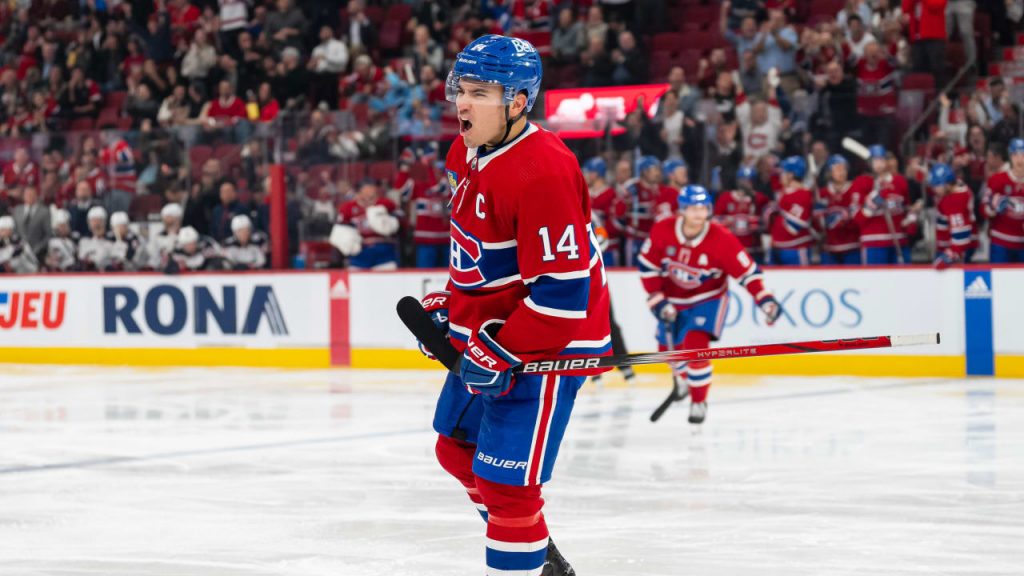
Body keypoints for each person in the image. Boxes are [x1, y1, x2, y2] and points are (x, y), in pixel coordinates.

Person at [417, 34, 611, 576]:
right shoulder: (472, 148)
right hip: (498, 328)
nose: (462, 103)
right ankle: (537, 555)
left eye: (480, 92)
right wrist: (454, 307)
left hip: (549, 339)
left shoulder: (543, 171)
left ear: (519, 101)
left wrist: (500, 348)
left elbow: (563, 295)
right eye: (461, 89)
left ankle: (520, 541)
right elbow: (483, 249)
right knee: (456, 451)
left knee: (507, 485)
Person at [638, 185, 780, 424]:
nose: (698, 213)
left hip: (709, 299)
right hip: (672, 298)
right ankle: (682, 381)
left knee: (696, 345)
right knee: (665, 348)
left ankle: (698, 401)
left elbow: (749, 273)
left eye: (703, 208)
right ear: (682, 210)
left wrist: (764, 299)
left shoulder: (722, 238)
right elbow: (647, 266)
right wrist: (657, 299)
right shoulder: (663, 229)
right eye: (692, 208)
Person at [850, 145, 914, 264]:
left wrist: (911, 220)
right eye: (876, 160)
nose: (879, 164)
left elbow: (907, 208)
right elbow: (856, 218)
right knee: (875, 281)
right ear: (869, 163)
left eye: (882, 160)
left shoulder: (899, 181)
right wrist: (871, 204)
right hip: (873, 242)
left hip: (898, 241)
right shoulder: (861, 182)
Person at [612, 155, 677, 265]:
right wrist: (626, 201)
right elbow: (618, 215)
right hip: (634, 240)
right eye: (654, 170)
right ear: (644, 171)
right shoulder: (631, 188)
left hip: (653, 240)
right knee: (631, 272)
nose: (658, 173)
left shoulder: (661, 190)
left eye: (658, 169)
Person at [331, 178, 401, 270]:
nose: (370, 197)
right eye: (367, 193)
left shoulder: (386, 204)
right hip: (359, 255)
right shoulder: (347, 208)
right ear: (359, 193)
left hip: (384, 254)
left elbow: (399, 224)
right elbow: (340, 233)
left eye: (373, 194)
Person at [714, 166, 769, 263]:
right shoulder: (726, 198)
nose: (746, 184)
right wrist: (732, 221)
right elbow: (716, 222)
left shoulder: (760, 199)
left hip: (754, 250)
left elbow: (767, 224)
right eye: (743, 180)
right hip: (731, 248)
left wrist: (755, 223)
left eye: (749, 181)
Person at [982, 138, 1024, 263]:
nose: (1019, 159)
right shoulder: (997, 180)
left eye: (1023, 154)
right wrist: (992, 208)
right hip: (1000, 244)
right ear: (1010, 157)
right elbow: (983, 209)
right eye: (1015, 154)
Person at [768, 156, 815, 265]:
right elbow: (773, 177)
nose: (781, 175)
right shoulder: (784, 191)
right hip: (777, 248)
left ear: (791, 175)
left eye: (784, 172)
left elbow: (794, 227)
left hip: (795, 249)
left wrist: (778, 211)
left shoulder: (803, 195)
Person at [816, 155, 862, 265]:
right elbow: (819, 223)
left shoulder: (855, 189)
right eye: (837, 169)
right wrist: (819, 214)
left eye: (843, 168)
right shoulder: (823, 193)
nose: (841, 172)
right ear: (830, 172)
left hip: (852, 245)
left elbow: (857, 216)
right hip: (830, 247)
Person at [929, 163, 976, 268]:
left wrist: (953, 254)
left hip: (955, 250)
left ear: (947, 184)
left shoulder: (955, 199)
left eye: (937, 185)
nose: (934, 189)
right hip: (948, 246)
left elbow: (961, 233)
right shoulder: (956, 186)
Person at [582, 157, 622, 266]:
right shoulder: (584, 193)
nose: (584, 175)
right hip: (588, 248)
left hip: (608, 247)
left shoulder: (611, 194)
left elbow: (616, 224)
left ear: (595, 173)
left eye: (588, 172)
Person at [12, 185, 50, 261]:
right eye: (27, 195)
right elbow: (14, 231)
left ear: (36, 196)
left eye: (32, 195)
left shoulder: (44, 212)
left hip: (38, 251)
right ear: (23, 196)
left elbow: (48, 234)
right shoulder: (17, 210)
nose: (29, 197)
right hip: (20, 252)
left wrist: (38, 248)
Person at [78, 206, 113, 271]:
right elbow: (82, 259)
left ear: (104, 223)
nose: (97, 224)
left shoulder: (111, 243)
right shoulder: (83, 242)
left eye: (99, 221)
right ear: (89, 223)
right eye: (94, 221)